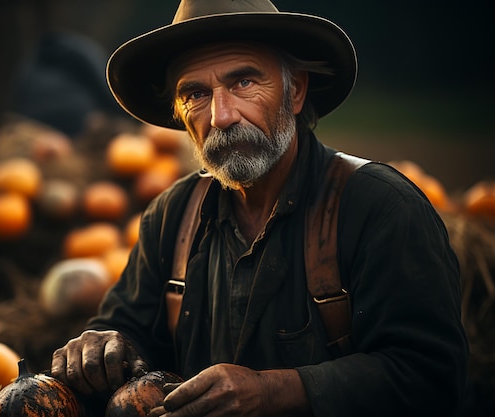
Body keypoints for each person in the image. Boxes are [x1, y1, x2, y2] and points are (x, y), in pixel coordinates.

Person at [51, 0, 468, 416]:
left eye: (244, 83)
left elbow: (430, 376)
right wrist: (103, 344)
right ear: (179, 113)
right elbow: (127, 328)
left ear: (297, 90)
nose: (221, 116)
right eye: (195, 94)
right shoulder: (172, 217)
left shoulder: (380, 209)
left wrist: (274, 391)